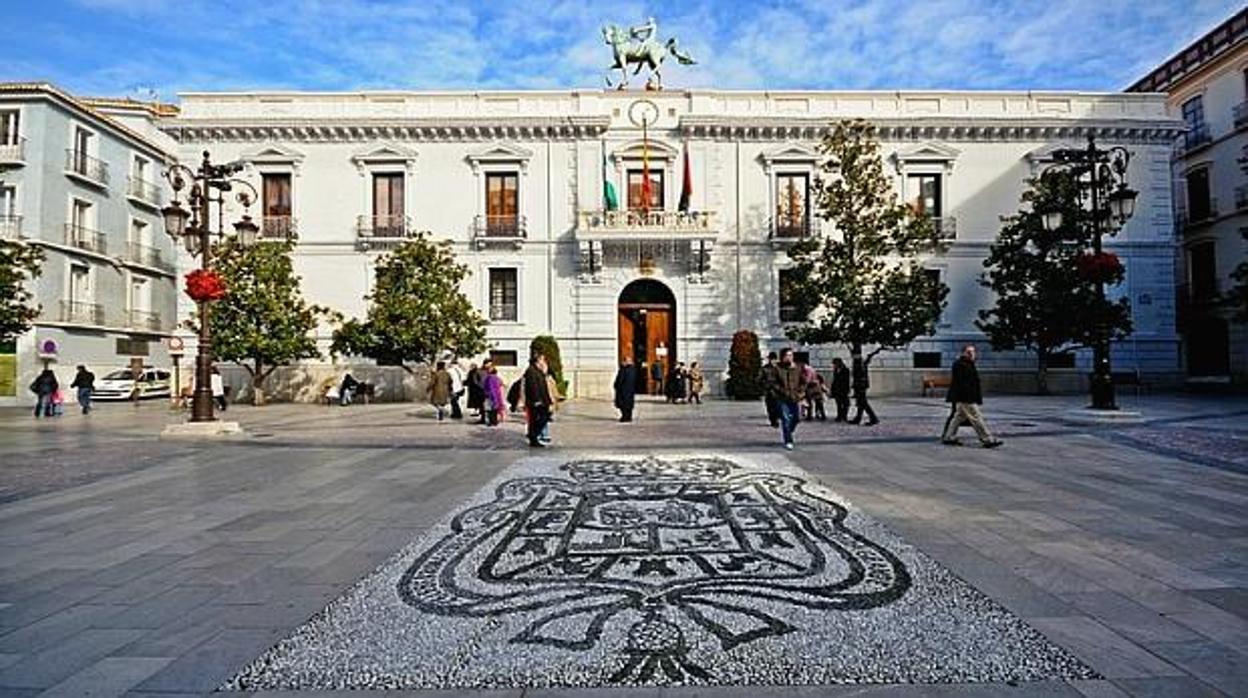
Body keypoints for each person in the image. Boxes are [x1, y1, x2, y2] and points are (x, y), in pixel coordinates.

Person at [942, 344, 1003, 448]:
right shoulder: (961, 364)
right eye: (969, 352)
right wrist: (970, 397)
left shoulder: (968, 363)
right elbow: (962, 383)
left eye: (973, 351)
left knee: (958, 417)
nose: (971, 354)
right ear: (963, 353)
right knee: (976, 417)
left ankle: (949, 437)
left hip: (964, 397)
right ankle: (987, 439)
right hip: (965, 397)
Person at [769, 348, 807, 450]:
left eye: (791, 355)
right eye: (787, 355)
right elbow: (773, 383)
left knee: (797, 418)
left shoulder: (798, 367)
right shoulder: (777, 369)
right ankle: (788, 440)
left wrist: (801, 392)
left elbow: (804, 381)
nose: (789, 358)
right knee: (785, 419)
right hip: (782, 398)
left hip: (795, 397)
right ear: (782, 357)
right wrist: (780, 391)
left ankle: (789, 430)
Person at [524, 353, 553, 447]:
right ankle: (533, 436)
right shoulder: (531, 371)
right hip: (536, 402)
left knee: (544, 418)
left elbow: (544, 388)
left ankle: (533, 436)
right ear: (537, 360)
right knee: (538, 419)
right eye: (542, 360)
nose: (543, 362)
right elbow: (532, 387)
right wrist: (536, 400)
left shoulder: (539, 371)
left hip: (543, 400)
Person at [848, 356, 878, 426]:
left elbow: (859, 377)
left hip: (860, 387)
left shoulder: (860, 366)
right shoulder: (861, 365)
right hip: (860, 387)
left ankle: (873, 418)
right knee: (860, 403)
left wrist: (857, 386)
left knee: (863, 403)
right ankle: (858, 418)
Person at [614, 355, 637, 422]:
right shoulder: (633, 370)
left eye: (624, 361)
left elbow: (620, 380)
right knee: (629, 405)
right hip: (630, 390)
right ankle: (629, 417)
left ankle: (625, 417)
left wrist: (616, 386)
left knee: (623, 404)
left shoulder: (623, 370)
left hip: (623, 390)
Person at [761, 351, 781, 428]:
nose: (772, 361)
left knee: (777, 406)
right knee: (770, 407)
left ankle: (776, 420)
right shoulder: (765, 368)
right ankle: (773, 420)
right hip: (768, 391)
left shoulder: (779, 368)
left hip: (778, 391)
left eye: (773, 359)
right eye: (771, 359)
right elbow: (760, 379)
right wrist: (765, 385)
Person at [830, 358, 851, 422]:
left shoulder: (846, 370)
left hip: (843, 389)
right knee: (838, 404)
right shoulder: (835, 370)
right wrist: (832, 389)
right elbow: (834, 380)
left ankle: (844, 416)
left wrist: (847, 389)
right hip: (837, 389)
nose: (833, 365)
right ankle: (839, 416)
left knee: (845, 404)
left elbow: (847, 381)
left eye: (834, 364)